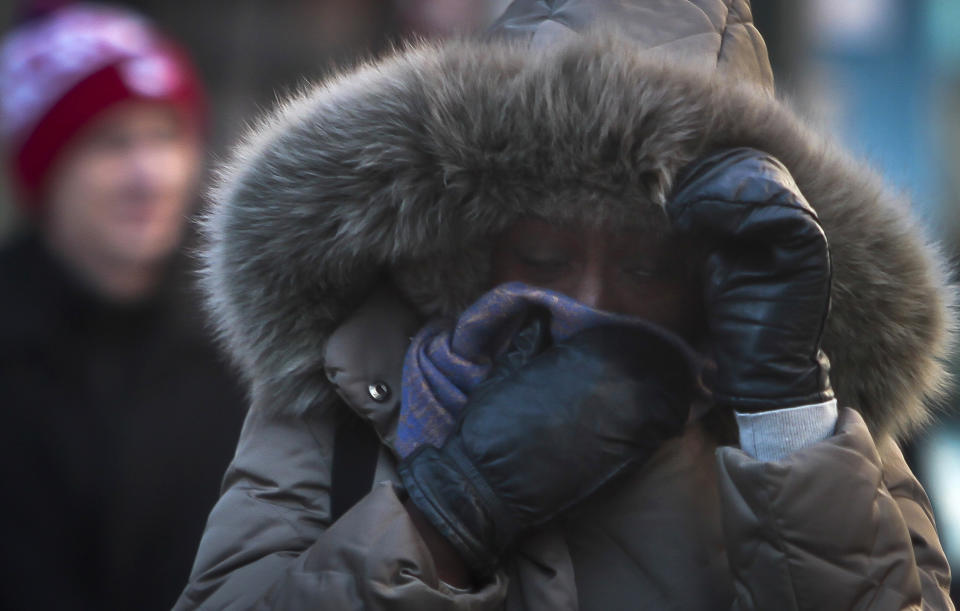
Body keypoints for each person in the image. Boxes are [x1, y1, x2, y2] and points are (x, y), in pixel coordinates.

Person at [176, 0, 955, 608]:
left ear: (709, 274)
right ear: (476, 245)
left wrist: (786, 415)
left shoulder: (812, 433)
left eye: (646, 267)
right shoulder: (352, 394)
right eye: (543, 258)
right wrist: (451, 512)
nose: (588, 303)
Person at [0, 5, 245, 610]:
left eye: (167, 136)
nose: (150, 175)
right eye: (112, 144)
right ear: (45, 169)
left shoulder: (245, 333)